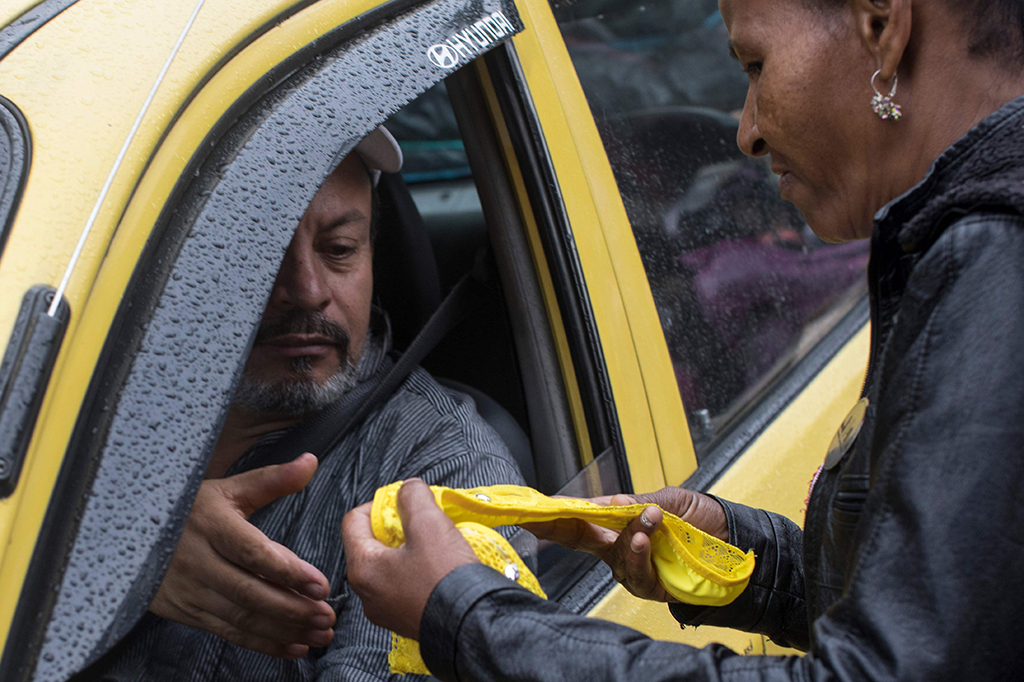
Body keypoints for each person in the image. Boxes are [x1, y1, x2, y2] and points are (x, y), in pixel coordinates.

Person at [342, 0, 1024, 679]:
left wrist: (469, 618)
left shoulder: (996, 261)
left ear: (883, 24)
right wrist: (747, 560)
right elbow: (953, 617)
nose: (747, 132)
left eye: (756, 64)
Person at [86, 127, 525, 681]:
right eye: (260, 249)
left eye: (339, 250)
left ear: (373, 258)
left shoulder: (439, 474)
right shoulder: (88, 405)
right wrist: (129, 547)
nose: (307, 288)